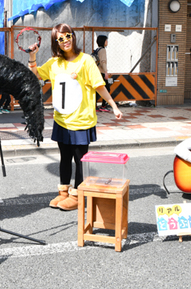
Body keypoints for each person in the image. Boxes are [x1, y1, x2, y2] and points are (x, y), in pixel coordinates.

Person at [28, 24, 122, 211]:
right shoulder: (54, 63)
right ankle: (63, 193)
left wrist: (113, 105)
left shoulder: (86, 60)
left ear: (73, 36)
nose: (65, 41)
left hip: (81, 121)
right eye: (60, 39)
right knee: (64, 158)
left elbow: (99, 85)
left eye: (68, 36)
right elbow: (35, 74)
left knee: (80, 161)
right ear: (56, 42)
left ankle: (78, 196)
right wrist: (32, 56)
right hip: (62, 120)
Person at [95, 35, 111, 112]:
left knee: (98, 89)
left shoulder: (97, 50)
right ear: (103, 41)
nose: (107, 42)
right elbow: (103, 62)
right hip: (101, 72)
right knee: (107, 89)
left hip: (97, 72)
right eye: (106, 40)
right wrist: (106, 72)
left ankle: (94, 106)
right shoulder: (103, 50)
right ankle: (103, 105)